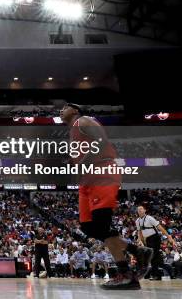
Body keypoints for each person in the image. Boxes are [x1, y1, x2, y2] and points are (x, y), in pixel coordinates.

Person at [60, 103, 153, 290]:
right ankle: (137, 251)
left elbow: (101, 142)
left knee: (102, 225)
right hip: (87, 179)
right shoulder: (73, 131)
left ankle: (126, 274)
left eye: (65, 107)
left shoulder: (83, 121)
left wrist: (81, 162)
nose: (61, 110)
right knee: (88, 227)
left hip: (101, 172)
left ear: (76, 110)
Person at [135, 205, 176, 280]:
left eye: (141, 209)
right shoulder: (137, 221)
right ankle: (169, 271)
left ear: (145, 210)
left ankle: (156, 275)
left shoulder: (150, 218)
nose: (139, 211)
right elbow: (139, 232)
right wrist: (140, 240)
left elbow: (160, 228)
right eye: (138, 210)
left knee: (152, 256)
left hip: (155, 238)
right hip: (147, 240)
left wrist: (168, 236)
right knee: (157, 258)